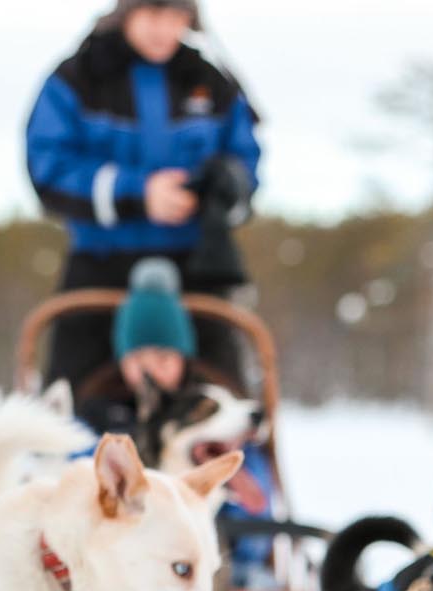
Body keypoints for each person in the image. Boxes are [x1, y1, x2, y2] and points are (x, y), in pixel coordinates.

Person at [26, 0, 260, 394]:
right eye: (153, 13)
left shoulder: (211, 81)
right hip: (99, 264)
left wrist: (223, 186)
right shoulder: (78, 79)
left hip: (198, 267)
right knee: (70, 402)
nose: (164, 29)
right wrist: (137, 192)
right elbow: (47, 168)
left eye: (176, 16)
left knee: (228, 400)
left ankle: (234, 457)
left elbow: (247, 164)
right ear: (126, 11)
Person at [77, 258, 283, 591]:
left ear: (182, 357)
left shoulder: (217, 407)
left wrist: (232, 527)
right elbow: (79, 476)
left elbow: (257, 508)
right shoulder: (96, 414)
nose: (150, 371)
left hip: (224, 559)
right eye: (138, 359)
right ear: (121, 360)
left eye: (162, 358)